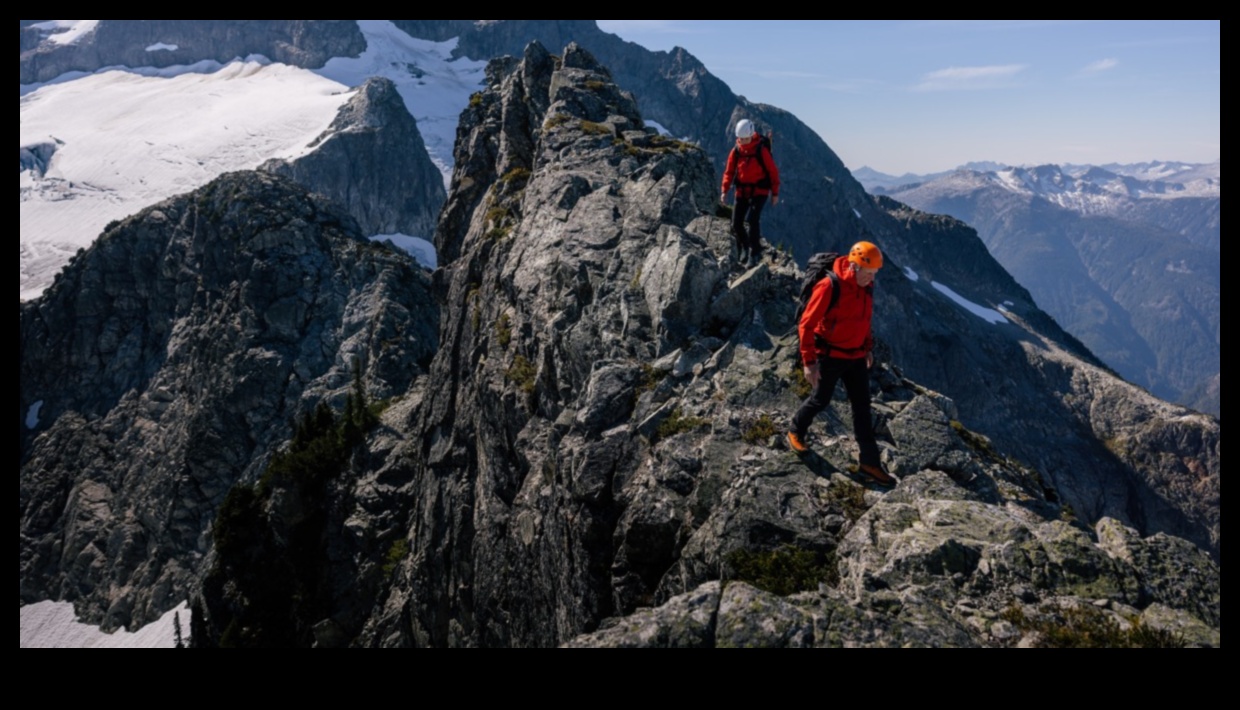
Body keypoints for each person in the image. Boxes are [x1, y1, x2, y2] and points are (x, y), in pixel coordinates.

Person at [786, 241, 895, 486]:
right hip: (830, 355)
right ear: (855, 267)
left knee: (862, 409)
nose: (871, 278)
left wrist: (866, 347)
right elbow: (806, 324)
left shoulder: (866, 285)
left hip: (855, 356)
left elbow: (864, 318)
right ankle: (795, 430)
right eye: (868, 273)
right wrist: (809, 362)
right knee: (820, 399)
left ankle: (869, 463)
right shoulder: (829, 285)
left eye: (874, 274)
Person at [721, 119, 779, 267]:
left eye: (746, 139)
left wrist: (775, 193)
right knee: (736, 223)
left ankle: (755, 253)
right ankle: (745, 247)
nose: (744, 142)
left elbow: (773, 172)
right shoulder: (736, 151)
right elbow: (729, 172)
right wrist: (724, 191)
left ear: (752, 135)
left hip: (760, 191)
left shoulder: (761, 150)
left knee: (752, 220)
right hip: (742, 191)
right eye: (741, 139)